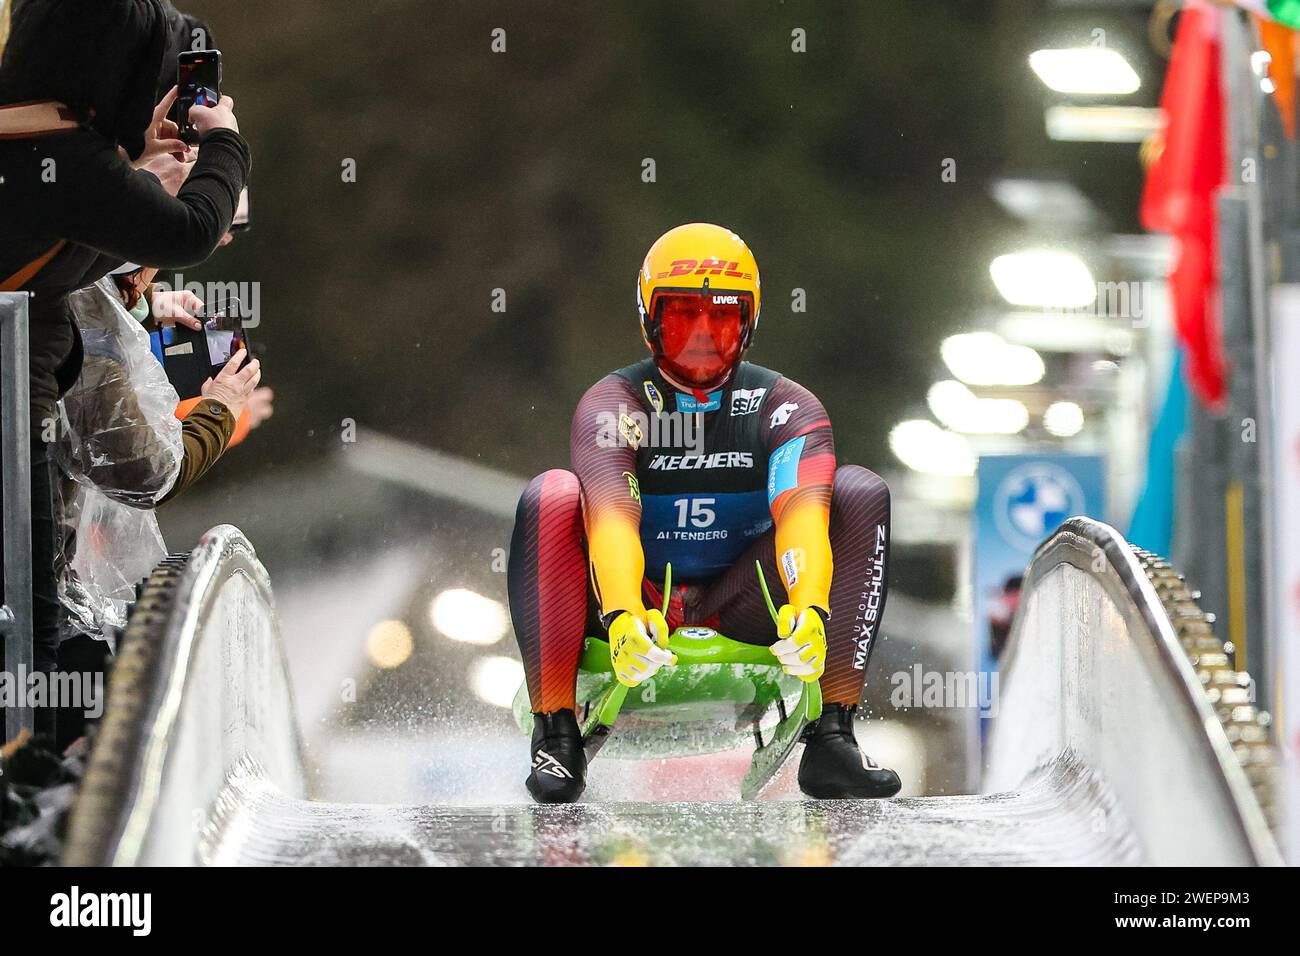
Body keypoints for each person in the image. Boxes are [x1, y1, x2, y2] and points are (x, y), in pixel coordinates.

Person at [508, 223, 901, 803]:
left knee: (858, 491)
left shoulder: (786, 406)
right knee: (555, 494)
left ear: (749, 322)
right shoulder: (613, 404)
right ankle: (556, 733)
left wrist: (810, 608)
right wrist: (620, 614)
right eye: (680, 318)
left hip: (740, 602)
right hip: (637, 602)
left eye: (720, 318)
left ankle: (832, 737)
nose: (699, 339)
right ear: (649, 321)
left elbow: (803, 519)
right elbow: (612, 518)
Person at [0, 0, 250, 732]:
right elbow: (190, 230)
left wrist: (133, 290)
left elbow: (46, 254)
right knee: (31, 651)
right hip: (16, 434)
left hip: (22, 420)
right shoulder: (54, 151)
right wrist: (224, 142)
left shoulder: (32, 140)